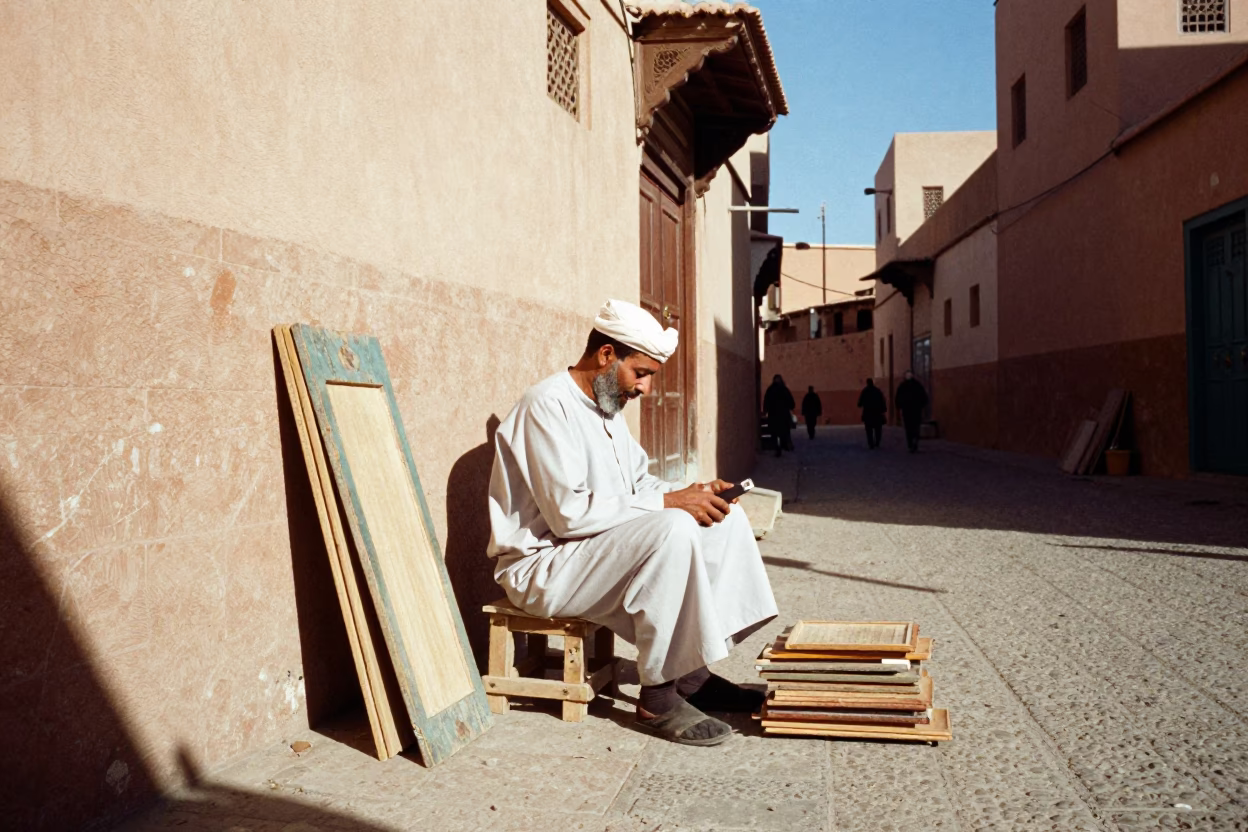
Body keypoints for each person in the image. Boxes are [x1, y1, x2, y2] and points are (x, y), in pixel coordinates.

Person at [488, 299, 778, 747]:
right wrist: (671, 503)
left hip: (590, 554)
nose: (644, 388)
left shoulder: (606, 412)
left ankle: (691, 675)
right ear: (607, 355)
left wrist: (696, 493)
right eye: (639, 373)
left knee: (723, 518)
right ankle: (657, 699)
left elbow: (639, 484)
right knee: (673, 527)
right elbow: (569, 515)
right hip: (542, 566)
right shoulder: (545, 405)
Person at [895, 370, 929, 453]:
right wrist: (921, 406)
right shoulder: (918, 385)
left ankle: (910, 443)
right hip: (916, 410)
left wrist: (899, 407)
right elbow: (924, 397)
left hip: (907, 411)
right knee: (916, 427)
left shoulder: (902, 386)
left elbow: (898, 398)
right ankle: (915, 441)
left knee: (908, 427)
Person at [762, 374, 795, 457]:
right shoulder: (784, 389)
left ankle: (777, 447)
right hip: (783, 416)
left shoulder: (770, 390)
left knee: (774, 433)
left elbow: (766, 401)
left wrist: (766, 410)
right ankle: (784, 446)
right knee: (784, 432)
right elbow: (791, 402)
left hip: (773, 416)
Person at [857, 378, 887, 449]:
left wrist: (861, 404)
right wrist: (883, 410)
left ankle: (871, 444)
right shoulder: (877, 391)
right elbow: (882, 401)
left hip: (868, 414)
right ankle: (877, 442)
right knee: (878, 429)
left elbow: (860, 403)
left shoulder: (865, 391)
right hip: (877, 413)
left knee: (869, 430)